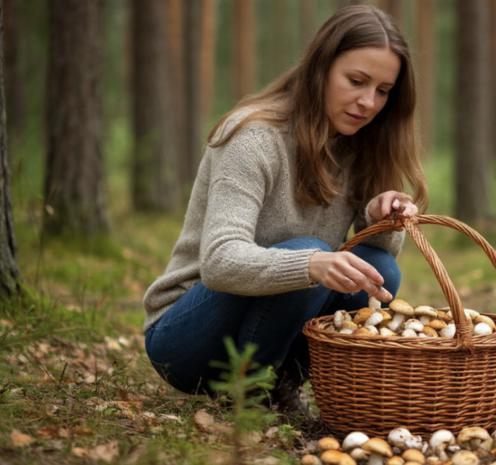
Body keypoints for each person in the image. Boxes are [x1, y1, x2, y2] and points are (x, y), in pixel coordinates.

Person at [142, 5, 428, 416]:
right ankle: (251, 392)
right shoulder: (252, 137)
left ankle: (284, 382)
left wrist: (377, 216)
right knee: (309, 253)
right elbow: (219, 262)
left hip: (273, 321)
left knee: (380, 266)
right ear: (320, 68)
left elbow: (370, 262)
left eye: (383, 90)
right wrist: (311, 263)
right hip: (188, 338)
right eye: (356, 81)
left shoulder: (361, 145)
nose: (368, 102)